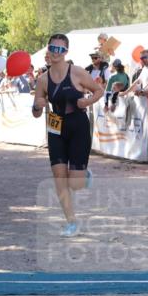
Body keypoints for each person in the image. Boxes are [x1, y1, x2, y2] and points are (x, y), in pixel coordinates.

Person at [32, 33, 104, 237]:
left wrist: (86, 102)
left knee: (75, 184)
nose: (56, 53)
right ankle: (71, 222)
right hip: (56, 128)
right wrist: (37, 106)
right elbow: (36, 112)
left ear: (66, 52)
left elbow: (98, 90)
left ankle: (84, 175)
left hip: (78, 126)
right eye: (52, 48)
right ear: (48, 49)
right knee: (59, 177)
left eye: (60, 49)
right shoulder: (42, 80)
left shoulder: (77, 72)